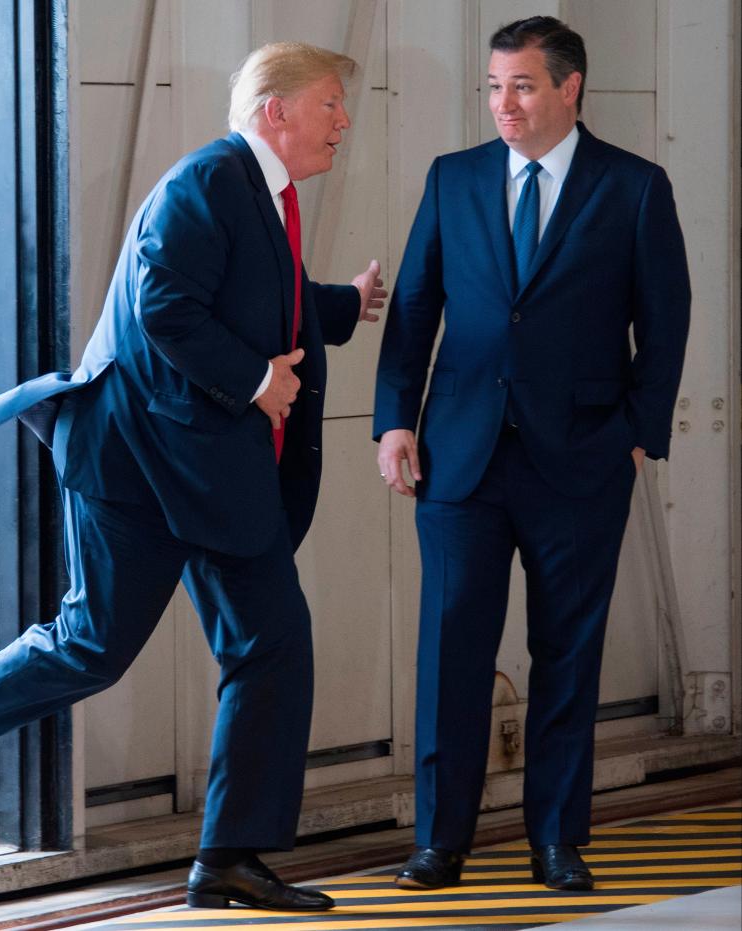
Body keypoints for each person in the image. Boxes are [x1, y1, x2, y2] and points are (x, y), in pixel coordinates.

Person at [0, 41, 385, 911]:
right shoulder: (209, 181)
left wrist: (345, 304)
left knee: (274, 640)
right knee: (90, 648)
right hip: (140, 470)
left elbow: (264, 293)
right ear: (277, 113)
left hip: (212, 477)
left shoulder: (264, 198)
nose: (344, 121)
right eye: (330, 103)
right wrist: (263, 380)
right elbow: (165, 306)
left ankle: (229, 854)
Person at [374, 16, 690, 893]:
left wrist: (637, 435)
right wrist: (395, 420)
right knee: (450, 654)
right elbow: (414, 312)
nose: (503, 104)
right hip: (458, 459)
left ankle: (557, 838)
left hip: (583, 460)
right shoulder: (454, 179)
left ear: (569, 87)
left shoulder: (634, 188)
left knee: (567, 655)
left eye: (521, 86)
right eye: (493, 87)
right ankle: (441, 841)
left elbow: (665, 324)